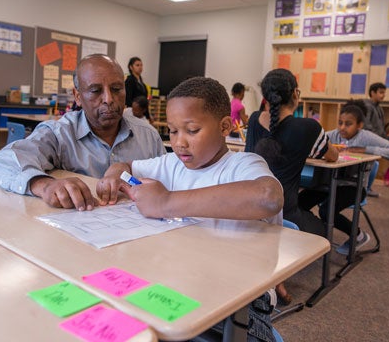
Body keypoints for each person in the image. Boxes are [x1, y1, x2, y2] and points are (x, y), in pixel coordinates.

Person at [96, 76, 283, 342]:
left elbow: (268, 197)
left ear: (224, 126)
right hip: (181, 279)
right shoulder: (172, 163)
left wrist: (167, 202)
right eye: (172, 131)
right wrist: (116, 172)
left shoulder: (243, 164)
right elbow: (126, 166)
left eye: (192, 130)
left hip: (240, 298)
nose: (180, 142)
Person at [0, 54, 165, 210]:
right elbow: (3, 161)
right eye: (95, 91)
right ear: (78, 96)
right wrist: (44, 185)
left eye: (117, 89)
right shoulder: (60, 134)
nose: (109, 99)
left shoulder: (148, 135)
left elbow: (174, 181)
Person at [244, 68, 338, 306]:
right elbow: (332, 156)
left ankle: (276, 278)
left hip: (248, 208)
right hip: (286, 211)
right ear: (295, 94)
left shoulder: (255, 120)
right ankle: (278, 276)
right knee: (324, 230)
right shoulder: (308, 127)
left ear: (265, 96)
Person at [298, 101, 389, 255]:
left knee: (326, 211)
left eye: (348, 124)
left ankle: (358, 235)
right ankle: (317, 232)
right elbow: (313, 142)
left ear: (359, 125)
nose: (342, 127)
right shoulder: (333, 135)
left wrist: (367, 149)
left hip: (353, 187)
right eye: (340, 123)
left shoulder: (366, 137)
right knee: (298, 203)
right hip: (328, 184)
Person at [362, 82, 387, 198]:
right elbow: (366, 125)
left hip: (377, 141)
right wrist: (374, 138)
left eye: (384, 93)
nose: (383, 95)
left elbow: (380, 125)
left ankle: (367, 187)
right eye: (381, 92)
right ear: (372, 93)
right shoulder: (368, 106)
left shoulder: (379, 108)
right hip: (370, 141)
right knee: (367, 166)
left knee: (372, 165)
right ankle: (364, 188)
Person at [124, 56, 152, 122]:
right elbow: (128, 100)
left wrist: (148, 116)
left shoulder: (142, 83)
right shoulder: (129, 81)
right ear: (131, 67)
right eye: (137, 65)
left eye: (141, 65)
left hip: (142, 114)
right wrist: (135, 112)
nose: (140, 67)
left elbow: (145, 101)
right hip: (133, 114)